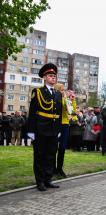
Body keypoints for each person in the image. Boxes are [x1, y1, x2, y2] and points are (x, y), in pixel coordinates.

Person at [27, 63, 62, 191]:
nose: (53, 78)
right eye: (51, 76)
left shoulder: (58, 94)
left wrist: (58, 130)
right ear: (45, 77)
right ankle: (40, 181)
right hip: (40, 128)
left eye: (54, 76)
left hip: (53, 130)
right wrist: (31, 131)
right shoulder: (38, 92)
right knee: (40, 156)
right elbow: (32, 112)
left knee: (51, 156)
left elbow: (58, 113)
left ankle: (48, 179)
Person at [53, 84, 76, 178]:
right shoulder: (56, 98)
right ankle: (52, 169)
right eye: (61, 90)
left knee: (62, 148)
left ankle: (59, 169)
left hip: (65, 124)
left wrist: (72, 100)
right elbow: (61, 105)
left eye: (64, 90)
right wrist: (66, 98)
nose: (63, 91)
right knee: (53, 148)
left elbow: (72, 111)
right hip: (56, 124)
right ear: (57, 90)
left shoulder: (67, 99)